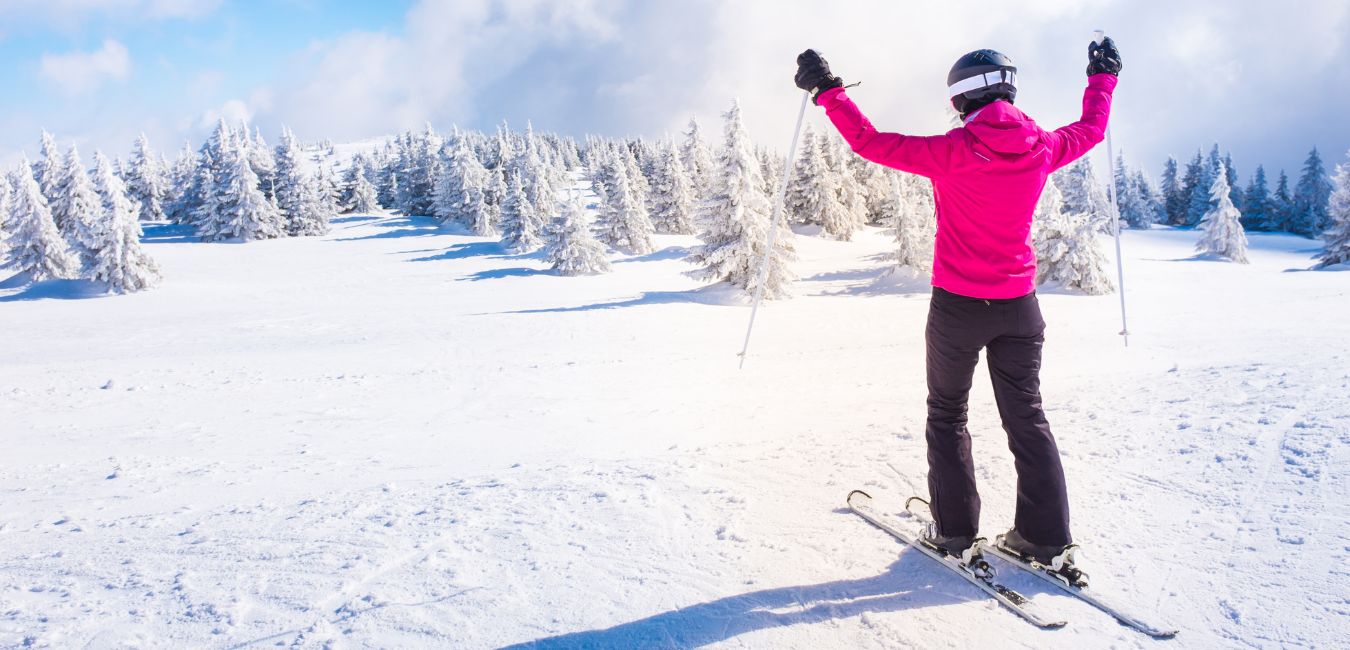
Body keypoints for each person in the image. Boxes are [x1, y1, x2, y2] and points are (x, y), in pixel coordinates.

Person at [794, 40, 1122, 567]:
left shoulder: (951, 152)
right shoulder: (1042, 146)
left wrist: (827, 92)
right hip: (1020, 306)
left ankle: (954, 534)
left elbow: (870, 142)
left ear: (963, 99)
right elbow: (1092, 129)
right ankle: (1045, 538)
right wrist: (1102, 78)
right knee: (1027, 417)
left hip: (959, 309)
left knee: (947, 415)